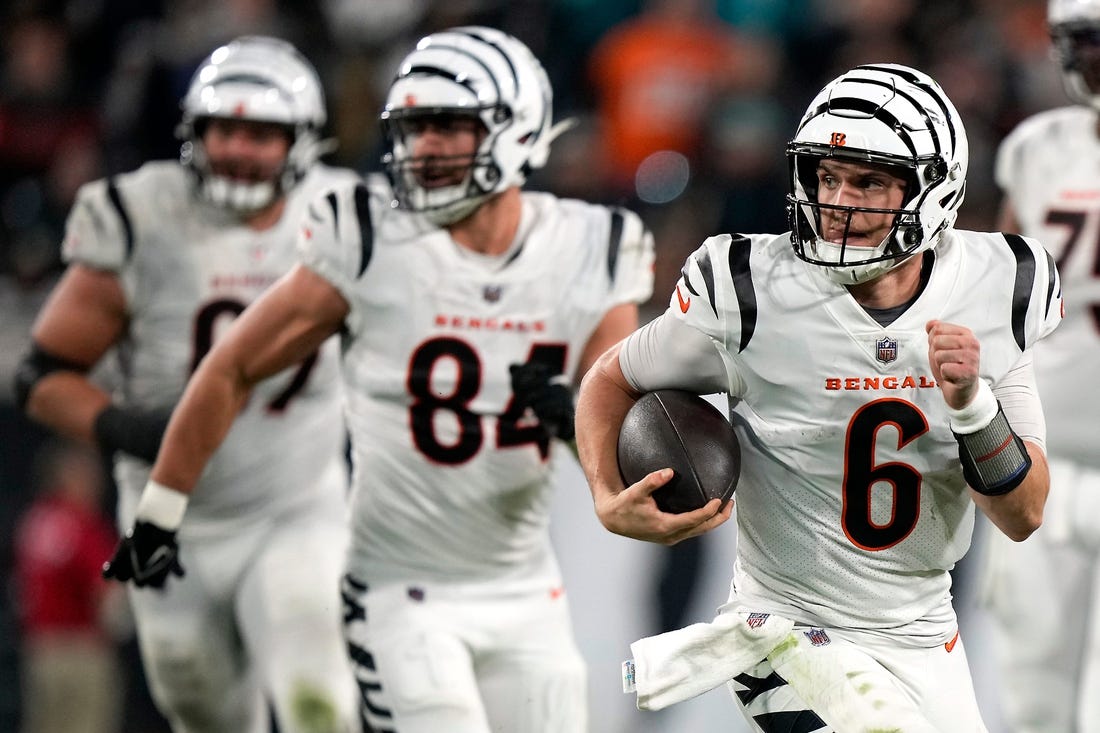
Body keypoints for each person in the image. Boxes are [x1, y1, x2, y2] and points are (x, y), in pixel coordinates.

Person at [93, 25, 655, 733]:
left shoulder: (591, 247)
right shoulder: (368, 239)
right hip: (399, 592)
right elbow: (232, 364)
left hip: (525, 593)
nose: (424, 147)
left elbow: (614, 436)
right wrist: (161, 509)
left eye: (448, 126)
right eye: (414, 128)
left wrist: (574, 420)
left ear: (517, 126)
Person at [574, 63, 1064, 731]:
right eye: (827, 178)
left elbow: (1024, 512)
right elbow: (612, 376)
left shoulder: (996, 288)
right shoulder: (748, 293)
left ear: (934, 187)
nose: (839, 201)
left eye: (868, 181)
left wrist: (974, 406)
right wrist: (607, 496)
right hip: (787, 630)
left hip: (925, 636)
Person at [13, 36, 361, 733]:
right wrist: (126, 427)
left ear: (301, 140)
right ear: (192, 133)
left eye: (261, 132)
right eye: (222, 128)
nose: (237, 147)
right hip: (170, 519)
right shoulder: (141, 217)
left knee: (315, 698)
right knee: (204, 712)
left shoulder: (348, 216)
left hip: (296, 504)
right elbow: (42, 376)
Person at [979, 1, 1100, 730]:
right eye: (1082, 44)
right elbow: (998, 295)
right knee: (1033, 693)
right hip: (1042, 459)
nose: (1090, 61)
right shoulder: (1036, 148)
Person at [13, 439, 124, 733]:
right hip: (81, 649)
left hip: (40, 648)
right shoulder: (82, 525)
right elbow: (106, 592)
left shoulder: (35, 520)